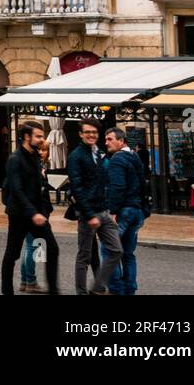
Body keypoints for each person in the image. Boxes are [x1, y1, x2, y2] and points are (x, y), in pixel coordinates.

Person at [1, 121, 60, 295]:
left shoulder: (35, 156)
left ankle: (53, 290)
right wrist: (33, 213)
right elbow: (17, 190)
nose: (42, 139)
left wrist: (43, 211)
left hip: (37, 214)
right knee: (12, 254)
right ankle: (7, 291)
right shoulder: (15, 159)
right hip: (19, 214)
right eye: (39, 136)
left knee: (52, 249)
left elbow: (38, 187)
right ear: (27, 137)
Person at [67, 120, 121, 295]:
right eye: (87, 132)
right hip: (88, 213)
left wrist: (110, 210)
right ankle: (81, 292)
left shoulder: (98, 153)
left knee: (116, 250)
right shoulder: (76, 156)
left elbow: (103, 183)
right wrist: (89, 215)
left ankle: (97, 287)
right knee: (85, 256)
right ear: (81, 134)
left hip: (104, 211)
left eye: (94, 132)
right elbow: (77, 188)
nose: (91, 135)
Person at [104, 127, 146, 296]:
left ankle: (115, 289)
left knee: (108, 250)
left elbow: (117, 186)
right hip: (136, 209)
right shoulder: (134, 157)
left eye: (110, 139)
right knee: (128, 253)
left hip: (123, 211)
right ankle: (130, 289)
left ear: (121, 141)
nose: (106, 142)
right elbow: (143, 183)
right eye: (106, 139)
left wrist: (113, 211)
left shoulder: (117, 159)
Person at [18, 141, 50, 292]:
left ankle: (25, 280)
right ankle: (30, 281)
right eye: (40, 150)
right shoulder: (34, 168)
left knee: (30, 247)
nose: (42, 153)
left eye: (45, 150)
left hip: (34, 211)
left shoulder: (41, 166)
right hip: (34, 213)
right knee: (33, 246)